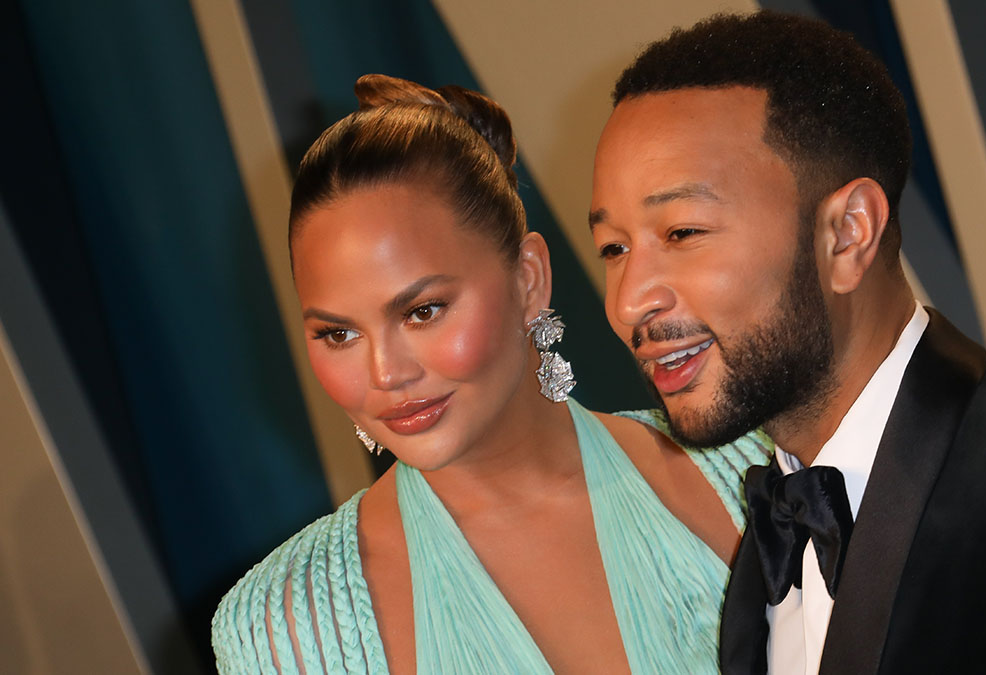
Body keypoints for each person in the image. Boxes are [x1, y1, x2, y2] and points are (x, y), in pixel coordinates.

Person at [588, 11, 986, 675]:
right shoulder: (766, 553)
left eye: (681, 232)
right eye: (613, 248)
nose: (628, 302)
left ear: (848, 233)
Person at [210, 74, 771, 674]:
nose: (385, 373)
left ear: (528, 280)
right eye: (338, 334)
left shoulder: (753, 469)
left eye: (423, 311)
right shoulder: (280, 631)